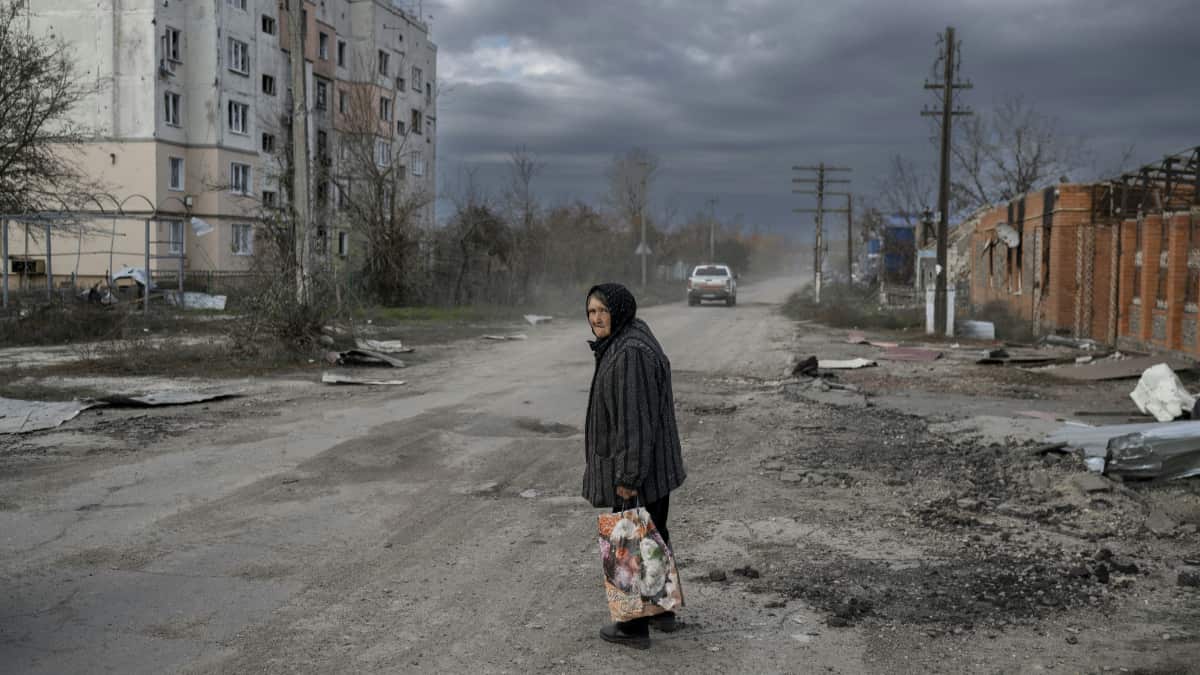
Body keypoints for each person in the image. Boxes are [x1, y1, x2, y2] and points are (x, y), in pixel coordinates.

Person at [582, 282, 686, 649]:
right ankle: (660, 612)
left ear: (619, 311)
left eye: (602, 311)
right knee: (651, 537)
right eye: (592, 311)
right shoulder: (629, 337)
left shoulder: (629, 353)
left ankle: (631, 627)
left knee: (626, 538)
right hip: (655, 464)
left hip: (642, 467)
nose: (596, 318)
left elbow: (633, 421)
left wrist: (627, 477)